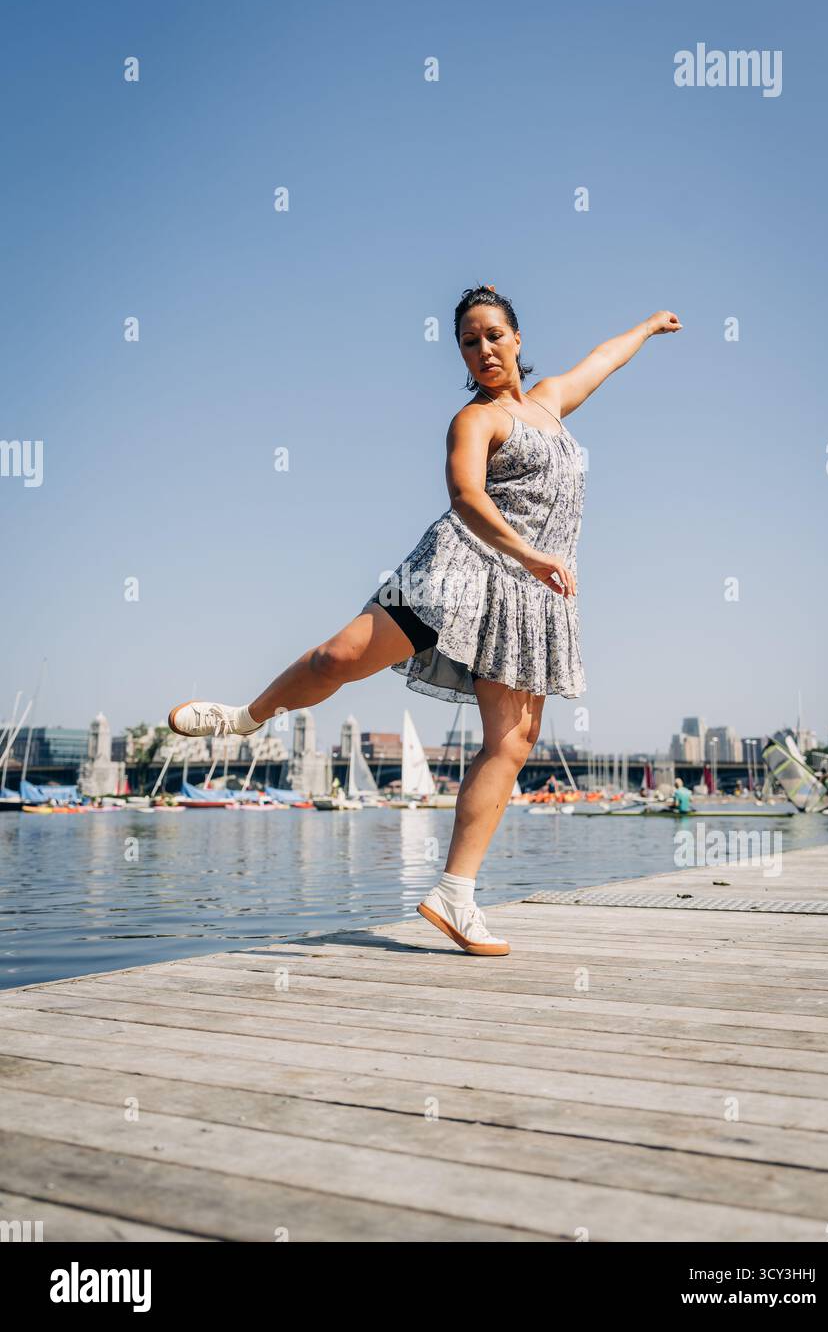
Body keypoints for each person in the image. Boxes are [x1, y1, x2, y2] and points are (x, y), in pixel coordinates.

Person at [166, 285, 681, 955]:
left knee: (512, 743)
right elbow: (465, 495)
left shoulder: (551, 400)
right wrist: (529, 553)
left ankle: (455, 895)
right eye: (469, 341)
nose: (483, 348)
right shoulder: (475, 420)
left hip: (529, 595)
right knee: (336, 660)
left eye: (493, 334)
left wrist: (648, 325)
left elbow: (602, 359)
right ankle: (245, 716)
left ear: (517, 339)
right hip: (462, 566)